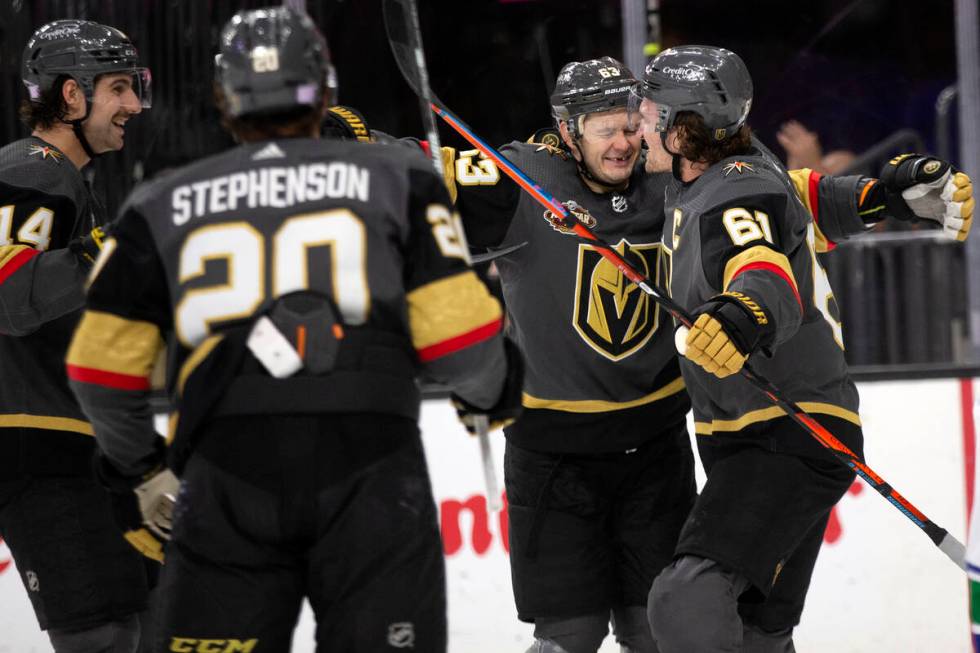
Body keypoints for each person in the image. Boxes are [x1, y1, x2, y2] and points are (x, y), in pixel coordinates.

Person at [436, 53, 961, 652]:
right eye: (607, 127)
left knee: (664, 623)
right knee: (577, 635)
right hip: (556, 451)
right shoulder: (526, 177)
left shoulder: (676, 173)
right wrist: (340, 140)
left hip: (659, 444)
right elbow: (413, 174)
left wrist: (875, 200)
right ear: (567, 132)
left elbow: (773, 213)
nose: (626, 140)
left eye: (634, 121)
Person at [65, 6, 521, 652]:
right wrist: (490, 391)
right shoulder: (398, 179)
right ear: (326, 90)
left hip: (225, 476)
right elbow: (463, 345)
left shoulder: (161, 202)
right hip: (372, 469)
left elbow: (99, 368)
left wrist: (141, 469)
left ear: (224, 99)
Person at [630, 45, 974, 652]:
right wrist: (882, 196)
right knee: (761, 632)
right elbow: (799, 201)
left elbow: (761, 269)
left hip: (791, 431)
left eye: (651, 109)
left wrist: (742, 318)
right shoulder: (726, 172)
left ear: (684, 128)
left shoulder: (730, 193)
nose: (638, 122)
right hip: (763, 434)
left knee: (687, 601)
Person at [0, 19, 154, 653]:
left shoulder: (65, 180)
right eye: (119, 88)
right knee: (105, 632)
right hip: (39, 447)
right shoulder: (32, 168)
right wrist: (109, 248)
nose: (134, 106)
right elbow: (9, 298)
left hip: (74, 441)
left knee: (162, 609)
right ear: (70, 95)